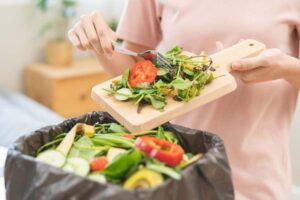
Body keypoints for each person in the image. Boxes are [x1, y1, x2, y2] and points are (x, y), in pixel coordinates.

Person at [68, 0, 300, 199]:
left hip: (256, 183)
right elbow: (135, 71)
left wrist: (288, 69)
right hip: (174, 170)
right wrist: (98, 43)